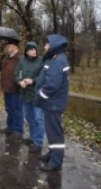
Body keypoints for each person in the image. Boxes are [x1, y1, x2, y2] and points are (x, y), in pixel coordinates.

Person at [35, 34, 70, 172]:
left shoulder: (57, 60)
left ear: (54, 45)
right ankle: (52, 153)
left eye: (47, 44)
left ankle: (56, 161)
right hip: (51, 103)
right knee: (51, 131)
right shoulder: (54, 58)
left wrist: (40, 96)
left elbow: (52, 85)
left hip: (53, 103)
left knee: (55, 132)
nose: (44, 47)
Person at [14, 42, 44, 153]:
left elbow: (43, 76)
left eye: (35, 49)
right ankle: (32, 137)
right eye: (31, 49)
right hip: (25, 94)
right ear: (26, 51)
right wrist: (19, 82)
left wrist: (32, 81)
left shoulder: (41, 61)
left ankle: (38, 142)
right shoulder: (22, 61)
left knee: (38, 119)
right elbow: (16, 74)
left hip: (37, 95)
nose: (34, 51)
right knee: (29, 117)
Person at [0, 39, 23, 139]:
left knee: (17, 109)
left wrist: (19, 83)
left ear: (14, 46)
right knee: (9, 109)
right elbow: (0, 68)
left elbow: (22, 73)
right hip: (6, 87)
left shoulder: (20, 58)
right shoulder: (6, 57)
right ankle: (10, 127)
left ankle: (18, 130)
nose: (7, 47)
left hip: (15, 88)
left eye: (9, 46)